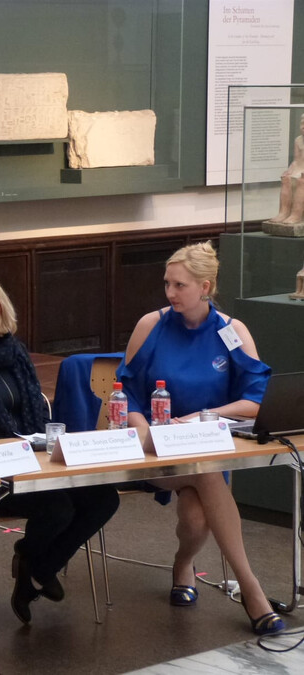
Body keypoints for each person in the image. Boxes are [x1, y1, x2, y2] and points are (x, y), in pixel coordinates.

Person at [0, 271, 120, 625]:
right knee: (58, 506)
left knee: (104, 496)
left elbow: (34, 417)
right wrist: (8, 449)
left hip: (34, 460)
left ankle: (35, 566)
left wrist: (41, 443)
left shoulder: (14, 351)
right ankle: (37, 567)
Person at [117, 241, 285, 635]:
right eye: (167, 284)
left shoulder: (231, 331)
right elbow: (127, 394)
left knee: (195, 514)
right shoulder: (151, 325)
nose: (170, 293)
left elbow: (254, 402)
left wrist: (200, 417)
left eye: (179, 286)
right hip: (156, 449)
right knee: (207, 477)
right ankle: (252, 590)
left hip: (206, 446)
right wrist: (146, 433)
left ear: (205, 288)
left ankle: (182, 565)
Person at [266, 113, 304, 225]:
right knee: (286, 179)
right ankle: (284, 212)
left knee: (301, 181)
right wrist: (289, 170)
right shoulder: (298, 140)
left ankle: (296, 214)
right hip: (300, 169)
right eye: (302, 123)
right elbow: (296, 161)